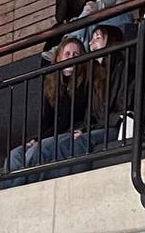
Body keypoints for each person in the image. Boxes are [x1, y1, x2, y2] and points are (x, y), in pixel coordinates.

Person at [6, 37, 91, 178]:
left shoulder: (86, 81)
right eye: (67, 54)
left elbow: (74, 115)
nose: (71, 57)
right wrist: (37, 138)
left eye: (75, 54)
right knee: (15, 155)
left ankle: (30, 188)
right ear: (58, 58)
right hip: (53, 134)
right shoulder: (51, 83)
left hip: (72, 130)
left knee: (37, 151)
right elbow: (46, 118)